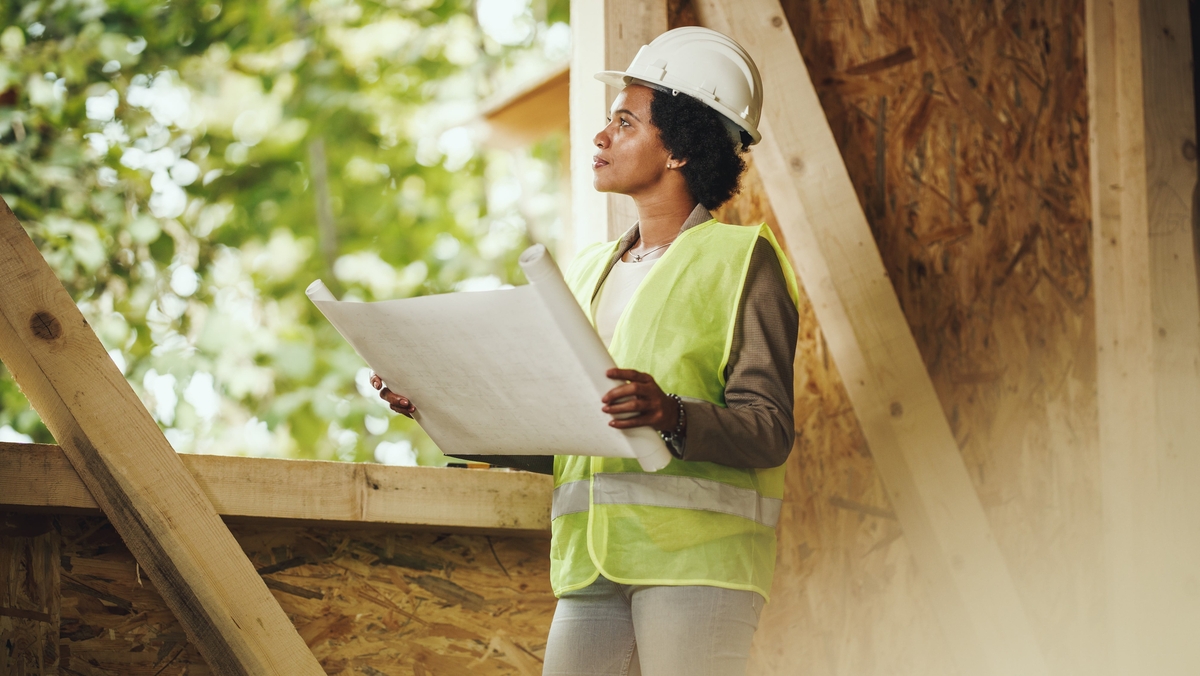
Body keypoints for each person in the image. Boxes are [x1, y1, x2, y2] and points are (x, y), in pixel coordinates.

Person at [373, 26, 798, 676]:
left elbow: (768, 431)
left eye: (625, 122)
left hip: (699, 566)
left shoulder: (743, 262)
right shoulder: (588, 271)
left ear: (681, 148)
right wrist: (437, 404)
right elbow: (568, 432)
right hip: (588, 565)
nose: (601, 137)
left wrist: (672, 415)